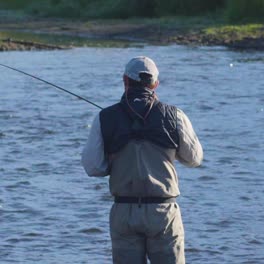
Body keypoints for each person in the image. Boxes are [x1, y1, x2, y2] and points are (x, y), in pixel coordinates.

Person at [81, 56, 203, 264]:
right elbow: (194, 159)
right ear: (155, 84)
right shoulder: (175, 115)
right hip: (163, 211)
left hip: (124, 211)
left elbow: (93, 168)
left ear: (125, 81)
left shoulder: (105, 117)